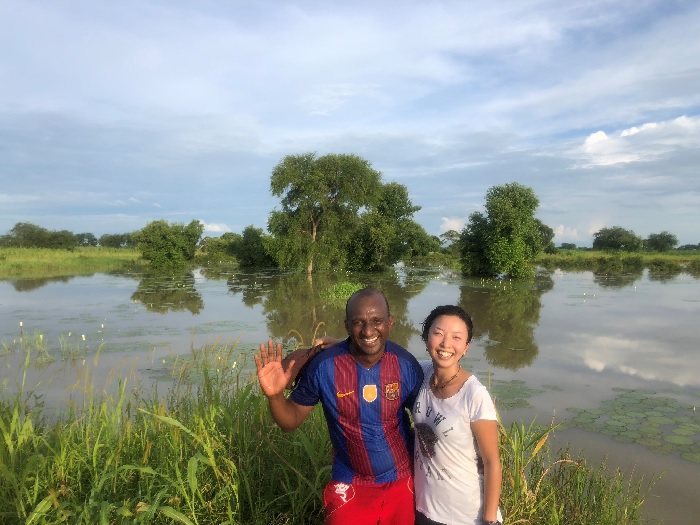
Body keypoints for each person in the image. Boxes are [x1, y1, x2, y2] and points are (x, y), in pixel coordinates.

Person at [255, 287, 424, 525]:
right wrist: (275, 397)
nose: (368, 331)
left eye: (377, 321)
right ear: (346, 325)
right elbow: (290, 422)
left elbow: (428, 422)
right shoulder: (325, 366)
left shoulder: (405, 365)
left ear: (390, 322)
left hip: (401, 482)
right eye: (358, 322)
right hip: (350, 483)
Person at [413, 305, 502, 525]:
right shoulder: (422, 373)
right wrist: (345, 346)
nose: (446, 344)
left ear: (466, 347)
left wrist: (489, 520)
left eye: (456, 337)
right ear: (426, 339)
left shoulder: (474, 395)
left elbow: (492, 463)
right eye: (438, 333)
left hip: (465, 516)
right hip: (424, 510)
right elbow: (384, 360)